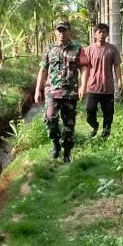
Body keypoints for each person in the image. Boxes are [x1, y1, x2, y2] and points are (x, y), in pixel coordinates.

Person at [34, 20, 86, 163]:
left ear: (69, 31)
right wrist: (37, 90)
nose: (61, 33)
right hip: (52, 91)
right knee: (50, 117)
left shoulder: (78, 48)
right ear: (55, 32)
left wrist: (83, 86)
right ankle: (55, 143)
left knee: (69, 125)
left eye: (64, 30)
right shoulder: (49, 49)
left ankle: (67, 152)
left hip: (70, 93)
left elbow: (84, 68)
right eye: (59, 30)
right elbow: (43, 70)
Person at [79, 22, 123, 139]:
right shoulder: (89, 50)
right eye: (99, 32)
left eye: (104, 32)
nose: (102, 34)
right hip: (93, 86)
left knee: (108, 113)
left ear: (107, 34)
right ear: (95, 34)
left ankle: (105, 135)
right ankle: (94, 125)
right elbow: (85, 68)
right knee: (89, 109)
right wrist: (83, 86)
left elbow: (117, 66)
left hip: (107, 87)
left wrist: (119, 82)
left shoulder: (112, 49)